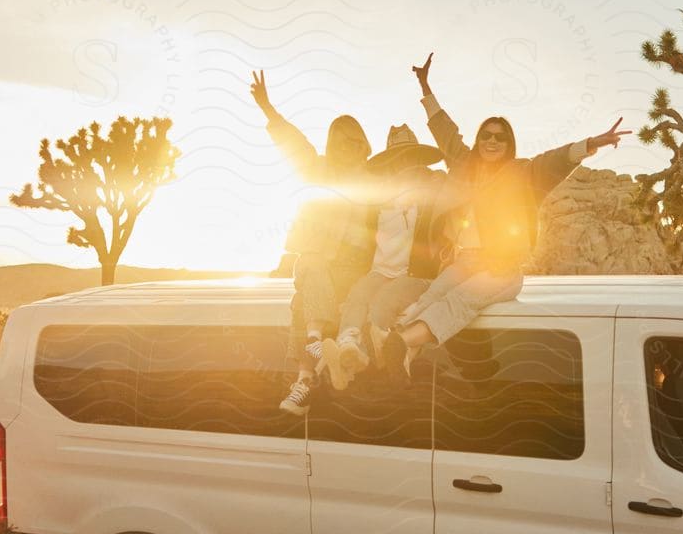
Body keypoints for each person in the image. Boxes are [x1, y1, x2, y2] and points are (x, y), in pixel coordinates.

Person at [395, 52, 630, 369]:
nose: (492, 141)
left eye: (500, 137)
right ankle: (399, 350)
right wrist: (425, 88)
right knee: (431, 296)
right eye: (486, 135)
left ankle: (397, 347)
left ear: (509, 144)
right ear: (479, 140)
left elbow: (555, 161)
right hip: (466, 260)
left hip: (501, 268)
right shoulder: (466, 165)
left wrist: (592, 143)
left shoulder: (522, 173)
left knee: (457, 302)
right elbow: (446, 133)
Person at [250, 70, 375, 414]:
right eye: (340, 142)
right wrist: (269, 111)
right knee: (314, 268)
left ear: (364, 143)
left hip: (355, 270)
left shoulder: (376, 179)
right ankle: (316, 347)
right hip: (318, 259)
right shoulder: (319, 171)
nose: (348, 149)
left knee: (301, 304)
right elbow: (295, 145)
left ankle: (304, 378)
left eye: (354, 142)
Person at [318, 123, 449, 391]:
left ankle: (363, 360)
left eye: (412, 157)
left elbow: (454, 179)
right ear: (391, 162)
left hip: (413, 276)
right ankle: (349, 348)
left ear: (419, 161)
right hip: (379, 272)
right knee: (357, 295)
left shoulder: (432, 194)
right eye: (399, 158)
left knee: (382, 304)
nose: (405, 164)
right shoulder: (377, 200)